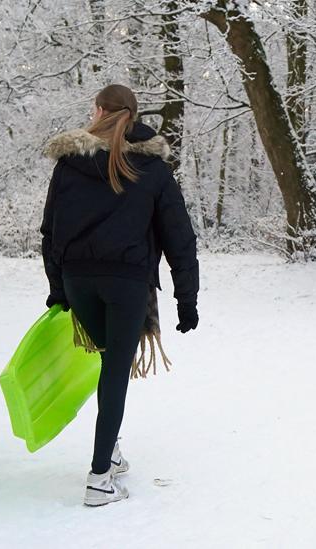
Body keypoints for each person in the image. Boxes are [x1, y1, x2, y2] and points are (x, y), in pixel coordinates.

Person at [40, 84, 199, 506]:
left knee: (109, 363)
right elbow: (179, 239)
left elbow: (50, 232)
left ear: (98, 110)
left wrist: (58, 288)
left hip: (79, 281)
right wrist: (187, 298)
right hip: (127, 283)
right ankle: (99, 479)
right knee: (115, 370)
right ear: (132, 115)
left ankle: (109, 449)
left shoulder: (68, 165)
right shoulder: (154, 170)